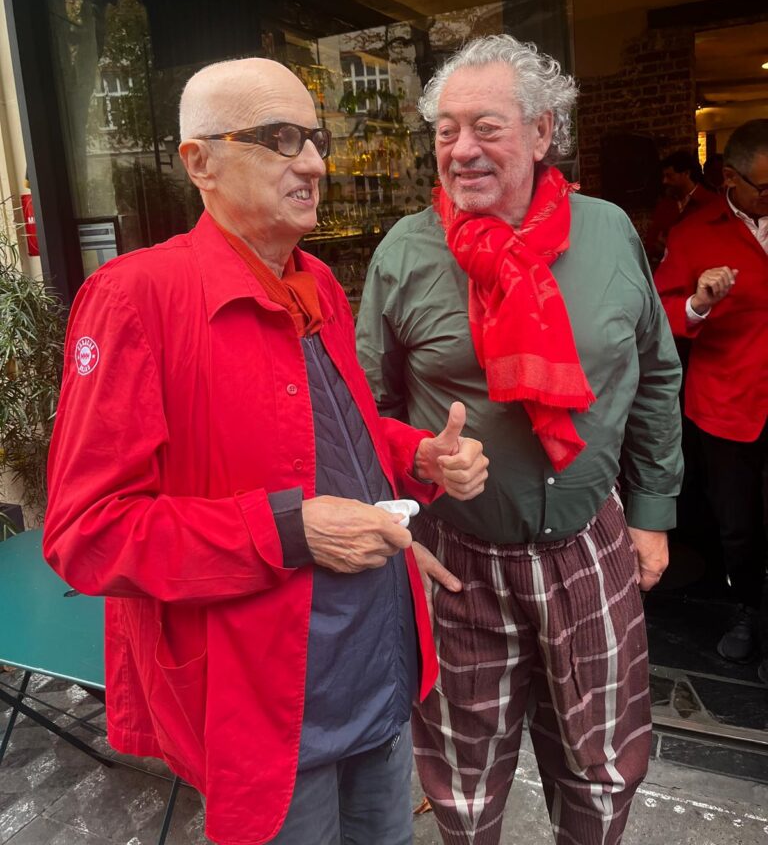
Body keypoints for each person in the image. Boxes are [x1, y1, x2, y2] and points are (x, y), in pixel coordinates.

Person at [43, 58, 490, 845]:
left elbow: (333, 437)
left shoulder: (316, 283)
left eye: (314, 139)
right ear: (200, 163)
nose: (314, 163)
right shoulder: (136, 298)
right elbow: (88, 534)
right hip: (269, 703)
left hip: (378, 665)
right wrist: (288, 530)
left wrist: (418, 455)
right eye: (280, 139)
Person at [356, 34, 683, 845]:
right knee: (462, 781)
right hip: (457, 558)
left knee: (605, 767)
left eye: (487, 128)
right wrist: (407, 496)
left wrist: (652, 511)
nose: (462, 150)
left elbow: (654, 373)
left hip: (591, 545)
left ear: (541, 133)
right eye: (446, 131)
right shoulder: (405, 252)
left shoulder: (608, 233)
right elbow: (363, 410)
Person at [655, 119, 768, 674]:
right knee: (738, 525)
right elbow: (657, 313)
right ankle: (747, 609)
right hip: (727, 404)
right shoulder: (694, 233)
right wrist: (698, 304)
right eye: (764, 188)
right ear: (731, 179)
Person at [643, 150, 717, 268]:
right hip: (670, 270)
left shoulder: (711, 203)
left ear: (686, 173)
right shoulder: (665, 205)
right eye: (664, 176)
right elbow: (651, 242)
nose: (664, 181)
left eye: (669, 176)